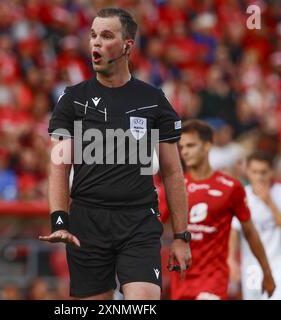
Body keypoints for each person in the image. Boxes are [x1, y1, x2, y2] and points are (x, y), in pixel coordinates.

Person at [39, 8, 191, 300]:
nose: (96, 42)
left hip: (139, 220)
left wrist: (181, 236)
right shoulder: (72, 99)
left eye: (106, 36)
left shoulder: (153, 100)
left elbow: (173, 171)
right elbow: (59, 165)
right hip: (87, 221)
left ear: (127, 46)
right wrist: (60, 219)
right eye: (93, 35)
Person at [167, 120, 275, 300]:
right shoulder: (174, 187)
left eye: (191, 145)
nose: (184, 151)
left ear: (208, 145)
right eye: (182, 147)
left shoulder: (230, 187)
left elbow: (249, 232)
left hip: (213, 282)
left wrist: (267, 271)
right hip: (181, 282)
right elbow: (152, 225)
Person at [230, 152, 281, 300]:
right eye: (254, 172)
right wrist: (231, 260)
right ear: (247, 172)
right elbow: (234, 230)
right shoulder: (242, 195)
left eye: (263, 172)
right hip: (251, 267)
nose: (259, 177)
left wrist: (269, 203)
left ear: (271, 172)